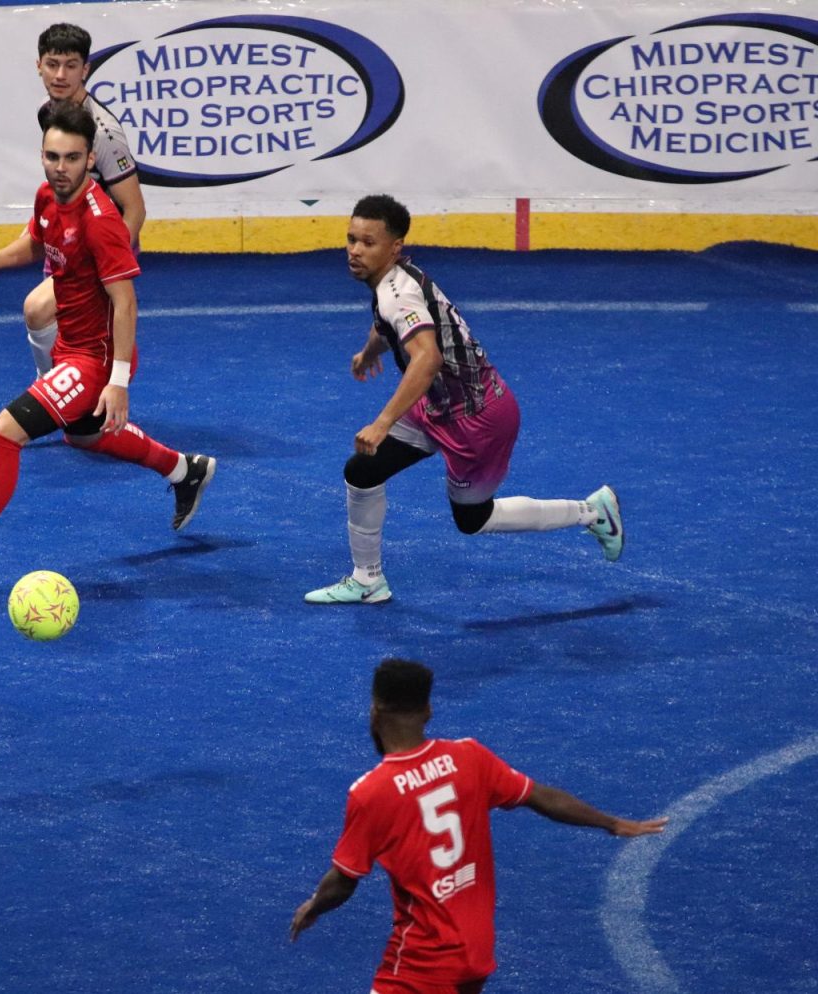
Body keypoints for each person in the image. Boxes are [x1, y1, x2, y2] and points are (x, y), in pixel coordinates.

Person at [0, 103, 214, 592]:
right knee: (86, 437)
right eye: (52, 156)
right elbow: (35, 244)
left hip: (94, 361)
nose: (60, 168)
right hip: (70, 348)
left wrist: (118, 381)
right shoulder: (48, 196)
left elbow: (125, 302)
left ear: (90, 159)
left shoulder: (100, 221)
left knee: (4, 434)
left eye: (71, 158)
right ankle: (183, 469)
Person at [304, 195, 624, 605]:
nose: (354, 250)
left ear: (395, 247)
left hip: (479, 420)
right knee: (363, 470)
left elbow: (427, 357)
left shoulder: (396, 292)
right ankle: (368, 580)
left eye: (368, 242)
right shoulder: (396, 281)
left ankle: (593, 512)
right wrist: (370, 353)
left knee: (473, 519)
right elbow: (388, 326)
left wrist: (383, 422)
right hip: (438, 406)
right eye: (351, 239)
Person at [290, 658, 667, 994]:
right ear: (428, 710)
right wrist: (612, 823)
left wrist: (315, 905)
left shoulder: (372, 792)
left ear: (375, 711)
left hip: (419, 966)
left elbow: (344, 881)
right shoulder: (470, 757)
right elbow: (542, 797)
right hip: (476, 952)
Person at [22, 22, 146, 377]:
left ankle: (53, 392)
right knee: (67, 330)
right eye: (52, 64)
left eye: (71, 65)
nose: (60, 75)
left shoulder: (104, 132)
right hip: (68, 240)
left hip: (99, 248)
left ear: (86, 69)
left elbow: (134, 208)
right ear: (39, 66)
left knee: (39, 309)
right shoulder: (50, 113)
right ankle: (67, 392)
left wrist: (107, 264)